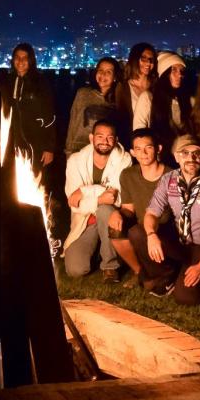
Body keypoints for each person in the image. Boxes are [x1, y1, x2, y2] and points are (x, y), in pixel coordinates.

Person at [138, 135, 200, 306]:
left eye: (196, 153)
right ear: (176, 156)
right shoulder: (168, 179)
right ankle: (168, 277)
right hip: (181, 241)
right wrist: (151, 235)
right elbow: (151, 213)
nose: (191, 158)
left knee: (187, 298)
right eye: (185, 153)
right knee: (138, 234)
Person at [63, 119, 132, 280]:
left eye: (109, 138)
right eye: (100, 137)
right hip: (85, 221)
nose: (104, 142)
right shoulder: (75, 160)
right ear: (91, 138)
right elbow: (74, 204)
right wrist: (99, 197)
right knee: (75, 269)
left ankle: (110, 266)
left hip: (111, 220)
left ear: (115, 140)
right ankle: (97, 251)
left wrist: (84, 191)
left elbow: (116, 199)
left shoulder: (124, 159)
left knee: (105, 209)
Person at [111, 128, 169, 288]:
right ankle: (141, 273)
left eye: (148, 147)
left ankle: (164, 274)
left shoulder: (171, 175)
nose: (143, 153)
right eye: (138, 149)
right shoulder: (128, 175)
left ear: (158, 149)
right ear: (132, 152)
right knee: (116, 230)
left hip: (165, 229)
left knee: (136, 232)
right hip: (141, 228)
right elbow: (128, 208)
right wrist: (117, 213)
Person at [3, 42, 56, 172]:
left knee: (34, 177)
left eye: (24, 58)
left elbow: (50, 116)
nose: (20, 61)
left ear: (31, 60)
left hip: (35, 140)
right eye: (17, 57)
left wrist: (49, 148)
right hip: (11, 140)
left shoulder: (40, 82)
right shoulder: (7, 81)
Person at [64, 57, 120, 156]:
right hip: (79, 149)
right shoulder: (83, 93)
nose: (103, 74)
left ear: (115, 77)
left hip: (105, 152)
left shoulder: (118, 99)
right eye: (101, 70)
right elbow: (73, 123)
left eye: (108, 72)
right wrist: (68, 151)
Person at [146, 51, 193, 164]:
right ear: (164, 73)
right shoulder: (149, 97)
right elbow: (139, 131)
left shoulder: (188, 99)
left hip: (186, 158)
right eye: (174, 70)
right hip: (160, 158)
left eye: (181, 71)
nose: (180, 74)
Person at [116, 42, 156, 139]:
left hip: (155, 139)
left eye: (151, 59)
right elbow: (121, 118)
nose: (149, 62)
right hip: (132, 140)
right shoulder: (123, 87)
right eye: (144, 58)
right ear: (135, 59)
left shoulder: (156, 86)